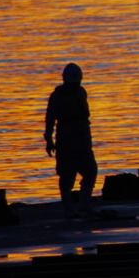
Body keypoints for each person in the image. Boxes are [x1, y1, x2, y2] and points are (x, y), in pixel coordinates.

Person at [44, 63, 98, 218]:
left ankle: (84, 205)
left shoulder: (81, 92)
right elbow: (50, 118)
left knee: (90, 170)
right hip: (66, 137)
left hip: (82, 136)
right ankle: (68, 208)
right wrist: (49, 139)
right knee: (67, 173)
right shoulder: (56, 96)